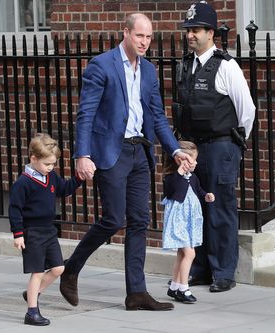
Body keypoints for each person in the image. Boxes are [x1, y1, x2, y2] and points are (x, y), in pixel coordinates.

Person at [59, 13, 194, 311]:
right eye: (139, 36)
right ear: (126, 33)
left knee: (139, 222)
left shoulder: (148, 71)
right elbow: (87, 114)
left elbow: (157, 116)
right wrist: (82, 155)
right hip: (112, 151)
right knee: (112, 219)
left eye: (148, 37)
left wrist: (174, 151)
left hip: (139, 152)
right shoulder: (102, 65)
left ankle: (136, 292)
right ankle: (71, 268)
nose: (145, 42)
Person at [175, 1, 256, 293]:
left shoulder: (226, 65)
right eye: (188, 30)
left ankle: (223, 271)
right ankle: (200, 269)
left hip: (221, 146)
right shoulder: (185, 65)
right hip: (193, 149)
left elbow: (246, 109)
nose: (190, 35)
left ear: (211, 33)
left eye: (195, 30)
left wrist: (236, 144)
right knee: (195, 208)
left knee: (220, 207)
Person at [9, 133, 82, 326]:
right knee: (37, 272)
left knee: (58, 268)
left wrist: (80, 177)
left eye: (53, 164)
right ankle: (31, 312)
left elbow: (64, 189)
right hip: (32, 232)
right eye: (47, 164)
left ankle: (32, 294)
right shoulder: (23, 183)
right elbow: (14, 210)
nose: (50, 168)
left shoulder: (50, 177)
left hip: (49, 230)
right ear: (33, 159)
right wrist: (18, 234)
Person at [162, 140, 215, 304]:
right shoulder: (172, 177)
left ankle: (175, 287)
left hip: (189, 220)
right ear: (181, 159)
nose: (196, 162)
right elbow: (173, 191)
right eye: (193, 159)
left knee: (182, 253)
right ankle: (183, 288)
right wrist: (179, 173)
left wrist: (206, 195)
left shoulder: (192, 177)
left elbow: (197, 189)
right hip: (180, 220)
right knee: (190, 253)